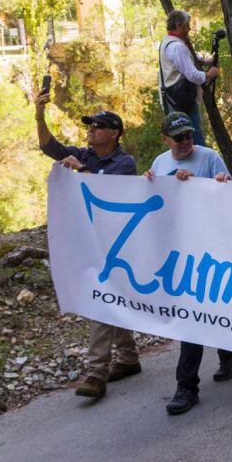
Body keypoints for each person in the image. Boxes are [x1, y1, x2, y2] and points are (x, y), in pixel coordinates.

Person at [35, 94, 140, 399]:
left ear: (115, 133)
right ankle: (129, 357)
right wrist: (39, 117)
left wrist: (79, 171)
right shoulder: (85, 154)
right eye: (90, 126)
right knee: (112, 297)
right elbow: (48, 147)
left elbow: (107, 192)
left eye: (98, 126)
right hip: (88, 241)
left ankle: (96, 372)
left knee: (102, 299)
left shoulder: (124, 162)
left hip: (118, 245)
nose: (90, 130)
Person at [141, 112, 232, 415]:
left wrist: (203, 183)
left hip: (210, 248)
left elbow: (226, 193)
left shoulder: (209, 157)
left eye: (189, 136)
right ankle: (189, 385)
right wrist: (150, 182)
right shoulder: (161, 163)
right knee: (192, 317)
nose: (186, 142)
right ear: (165, 140)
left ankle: (226, 355)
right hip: (179, 250)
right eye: (179, 138)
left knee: (212, 309)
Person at [158, 10, 219, 147]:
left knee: (181, 137)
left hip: (173, 98)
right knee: (193, 136)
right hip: (182, 99)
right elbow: (193, 76)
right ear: (179, 25)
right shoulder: (178, 47)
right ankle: (201, 166)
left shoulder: (167, 42)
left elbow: (182, 62)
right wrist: (210, 74)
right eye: (187, 26)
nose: (189, 29)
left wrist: (204, 61)